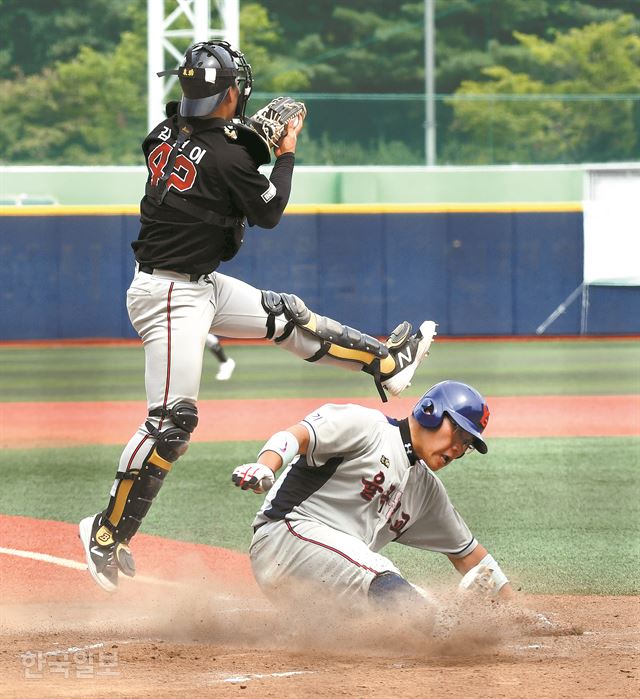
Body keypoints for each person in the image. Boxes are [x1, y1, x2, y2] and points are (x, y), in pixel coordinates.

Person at [78, 39, 437, 593]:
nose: (243, 101)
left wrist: (249, 138)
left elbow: (212, 149)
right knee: (172, 425)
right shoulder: (226, 152)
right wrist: (284, 150)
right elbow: (266, 209)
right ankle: (106, 532)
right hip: (171, 296)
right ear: (228, 94)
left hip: (195, 283)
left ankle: (385, 363)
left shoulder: (165, 130)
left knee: (284, 316)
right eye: (237, 92)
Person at [231, 380, 512, 618]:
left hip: (323, 587)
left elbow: (471, 555)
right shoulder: (369, 427)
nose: (458, 448)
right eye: (459, 433)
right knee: (381, 574)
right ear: (431, 412)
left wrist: (517, 613)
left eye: (467, 444)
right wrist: (267, 465)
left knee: (397, 607)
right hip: (284, 540)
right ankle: (445, 625)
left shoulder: (426, 491)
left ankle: (440, 619)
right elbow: (298, 435)